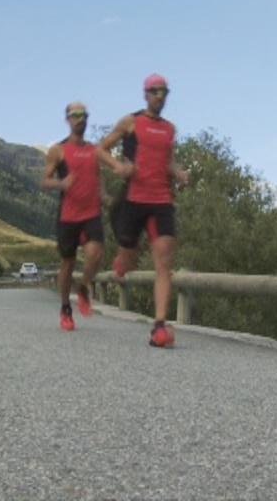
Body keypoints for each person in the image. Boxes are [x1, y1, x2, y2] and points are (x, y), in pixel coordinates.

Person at [99, 73, 189, 348]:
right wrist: (117, 166)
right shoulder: (130, 122)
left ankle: (159, 327)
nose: (160, 96)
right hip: (133, 201)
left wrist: (179, 173)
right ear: (145, 93)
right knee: (127, 261)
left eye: (164, 91)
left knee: (163, 265)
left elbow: (167, 162)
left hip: (161, 201)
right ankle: (121, 262)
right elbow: (100, 149)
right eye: (155, 91)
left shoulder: (169, 129)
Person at [41, 101, 133, 331]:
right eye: (76, 114)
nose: (81, 118)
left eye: (84, 115)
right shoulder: (58, 150)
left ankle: (83, 287)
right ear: (68, 119)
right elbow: (44, 180)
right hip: (68, 216)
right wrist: (61, 183)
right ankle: (65, 308)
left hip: (91, 213)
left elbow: (98, 176)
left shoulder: (94, 150)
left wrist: (104, 196)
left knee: (95, 254)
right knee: (67, 264)